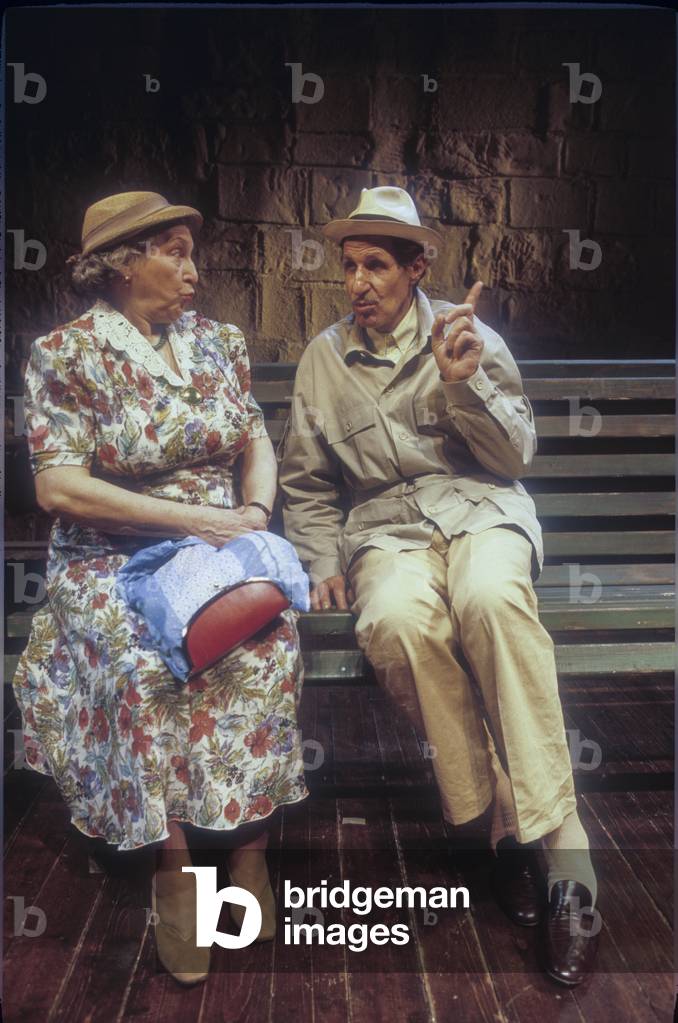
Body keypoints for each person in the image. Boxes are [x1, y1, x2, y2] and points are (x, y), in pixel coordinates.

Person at [278, 185, 600, 985]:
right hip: (386, 533)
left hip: (481, 511)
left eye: (377, 265)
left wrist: (465, 385)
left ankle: (566, 864)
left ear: (419, 267)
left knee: (492, 601)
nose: (357, 281)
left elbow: (516, 455)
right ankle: (495, 822)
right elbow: (309, 486)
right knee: (393, 621)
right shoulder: (324, 359)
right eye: (349, 265)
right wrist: (321, 560)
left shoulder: (469, 333)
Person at [12, 191, 309, 986]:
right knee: (145, 659)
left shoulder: (217, 340)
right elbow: (60, 488)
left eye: (190, 251)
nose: (192, 269)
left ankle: (249, 845)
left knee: (265, 645)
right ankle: (174, 865)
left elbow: (255, 437)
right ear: (120, 264)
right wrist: (191, 519)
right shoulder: (66, 354)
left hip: (217, 545)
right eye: (173, 251)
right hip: (111, 555)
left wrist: (250, 513)